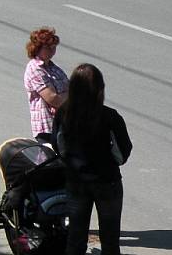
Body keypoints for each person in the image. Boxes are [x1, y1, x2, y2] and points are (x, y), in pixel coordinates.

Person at [52, 64, 131, 255]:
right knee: (110, 240)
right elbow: (123, 151)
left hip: (76, 182)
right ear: (100, 89)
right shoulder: (110, 116)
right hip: (107, 182)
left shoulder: (64, 114)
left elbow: (58, 145)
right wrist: (108, 162)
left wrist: (72, 163)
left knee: (75, 238)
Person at [23, 27, 68, 143]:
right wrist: (66, 96)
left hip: (63, 123)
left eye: (54, 47)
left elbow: (72, 89)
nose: (52, 50)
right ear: (37, 48)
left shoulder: (55, 69)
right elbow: (53, 98)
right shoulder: (35, 68)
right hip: (47, 127)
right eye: (48, 47)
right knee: (48, 159)